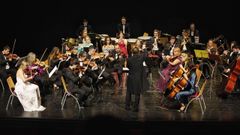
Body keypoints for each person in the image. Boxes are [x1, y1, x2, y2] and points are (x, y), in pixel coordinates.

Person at [125, 47, 147, 112]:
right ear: (138, 52)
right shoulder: (141, 58)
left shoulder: (128, 59)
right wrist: (142, 49)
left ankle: (127, 106)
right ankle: (135, 108)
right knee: (137, 93)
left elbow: (128, 67)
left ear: (132, 52)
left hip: (131, 77)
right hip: (138, 78)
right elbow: (145, 54)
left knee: (128, 92)